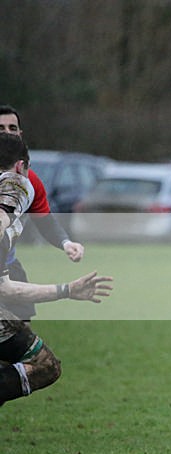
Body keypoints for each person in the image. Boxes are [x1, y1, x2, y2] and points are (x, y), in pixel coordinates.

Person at [0, 133, 113, 405]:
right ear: (19, 167)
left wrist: (66, 288)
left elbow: (5, 287)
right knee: (44, 366)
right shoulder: (17, 184)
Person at [0, 105, 85, 321]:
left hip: (8, 268)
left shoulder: (29, 181)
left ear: (20, 133)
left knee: (23, 345)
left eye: (13, 128)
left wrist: (66, 243)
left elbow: (44, 221)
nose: (8, 133)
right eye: (1, 129)